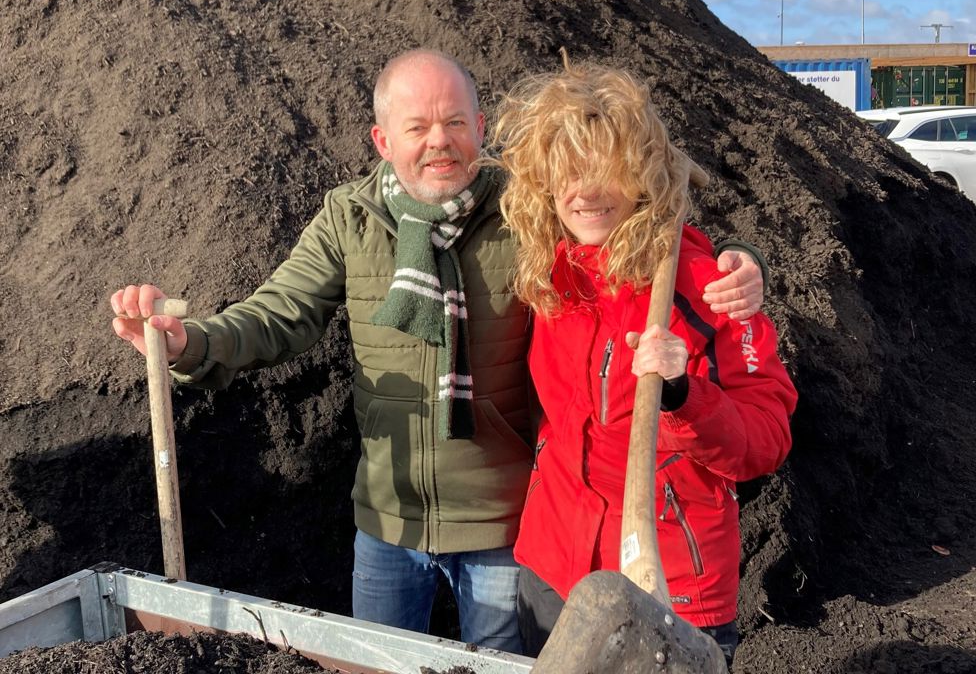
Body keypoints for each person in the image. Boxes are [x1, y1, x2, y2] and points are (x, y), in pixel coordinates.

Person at [111, 48, 767, 654]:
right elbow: (279, 315)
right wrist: (188, 341)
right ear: (383, 139)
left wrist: (737, 267)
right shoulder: (351, 217)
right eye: (418, 126)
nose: (439, 141)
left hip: (502, 529)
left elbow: (626, 232)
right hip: (389, 521)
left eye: (454, 122)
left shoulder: (523, 217)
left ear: (480, 127)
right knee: (375, 664)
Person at [488, 59, 797, 666]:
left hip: (671, 581)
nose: (585, 192)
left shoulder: (712, 289)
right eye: (567, 172)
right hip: (553, 571)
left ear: (642, 174)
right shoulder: (545, 276)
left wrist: (684, 394)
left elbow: (767, 440)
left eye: (606, 170)